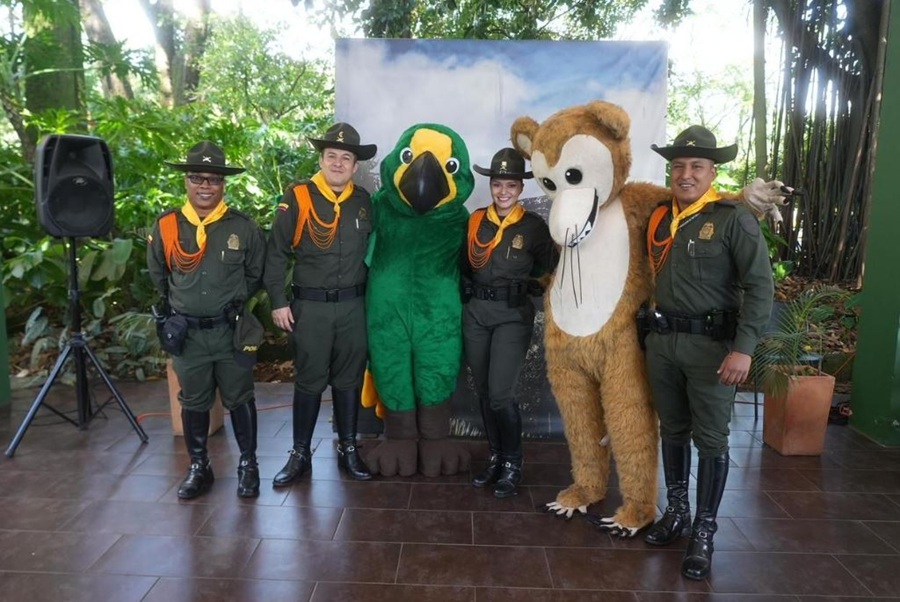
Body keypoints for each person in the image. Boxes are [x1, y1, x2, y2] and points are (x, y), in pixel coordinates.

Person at [643, 126, 774, 579]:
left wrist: (744, 350)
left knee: (712, 439)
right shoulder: (660, 216)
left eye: (696, 166)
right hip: (662, 343)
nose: (686, 174)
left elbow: (760, 286)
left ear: (711, 171)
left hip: (712, 348)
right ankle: (676, 511)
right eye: (678, 166)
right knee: (673, 429)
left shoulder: (733, 219)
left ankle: (704, 530)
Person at [147, 141, 266, 499]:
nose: (205, 185)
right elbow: (159, 275)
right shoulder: (167, 226)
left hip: (230, 331)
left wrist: (227, 302)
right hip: (189, 336)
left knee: (241, 397)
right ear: (186, 180)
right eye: (197, 177)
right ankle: (199, 466)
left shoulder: (243, 228)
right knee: (194, 401)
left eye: (213, 179)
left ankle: (248, 464)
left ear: (223, 184)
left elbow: (255, 275)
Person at [264, 122, 377, 484]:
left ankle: (348, 449)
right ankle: (300, 455)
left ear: (355, 165)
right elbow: (276, 253)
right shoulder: (297, 197)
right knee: (310, 382)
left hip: (352, 307)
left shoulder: (362, 201)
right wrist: (279, 302)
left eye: (346, 158)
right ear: (321, 158)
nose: (339, 163)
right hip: (310, 308)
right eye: (332, 156)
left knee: (348, 380)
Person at [463, 147, 559, 498]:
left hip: (512, 316)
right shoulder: (475, 220)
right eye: (498, 184)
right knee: (486, 393)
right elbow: (464, 266)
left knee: (502, 395)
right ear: (492, 185)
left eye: (512, 186)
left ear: (521, 189)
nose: (504, 191)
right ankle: (495, 456)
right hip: (476, 313)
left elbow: (554, 269)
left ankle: (513, 462)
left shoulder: (533, 227)